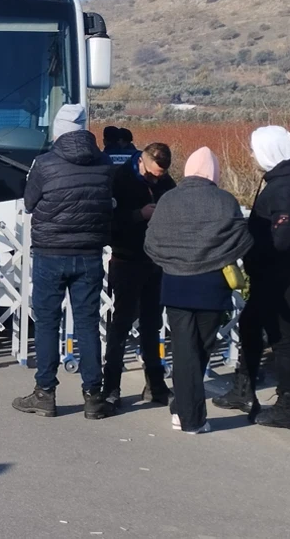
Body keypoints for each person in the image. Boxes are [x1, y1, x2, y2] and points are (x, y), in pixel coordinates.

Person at [12, 104, 116, 419]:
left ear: (57, 131)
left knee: (47, 323)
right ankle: (93, 396)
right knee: (87, 324)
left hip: (50, 252)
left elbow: (29, 202)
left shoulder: (44, 164)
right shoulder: (105, 163)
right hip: (89, 253)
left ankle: (45, 393)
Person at [214, 126, 290, 430]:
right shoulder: (284, 180)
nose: (251, 154)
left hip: (281, 275)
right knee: (250, 326)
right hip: (272, 273)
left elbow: (282, 237)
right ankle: (244, 389)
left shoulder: (288, 186)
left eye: (254, 149)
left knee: (282, 339)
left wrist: (252, 246)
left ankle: (288, 407)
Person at [144, 147, 253, 434]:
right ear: (214, 172)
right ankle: (190, 417)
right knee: (201, 348)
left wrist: (172, 261)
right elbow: (242, 239)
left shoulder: (169, 199)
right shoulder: (225, 200)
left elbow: (151, 241)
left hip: (176, 283)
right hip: (212, 284)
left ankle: (183, 409)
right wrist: (217, 256)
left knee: (184, 349)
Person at [102, 142, 176, 408]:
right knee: (120, 325)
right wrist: (138, 215)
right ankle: (111, 387)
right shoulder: (119, 178)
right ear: (142, 161)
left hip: (155, 261)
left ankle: (155, 385)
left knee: (152, 324)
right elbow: (108, 220)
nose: (156, 179)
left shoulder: (166, 183)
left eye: (161, 175)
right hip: (126, 259)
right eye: (153, 174)